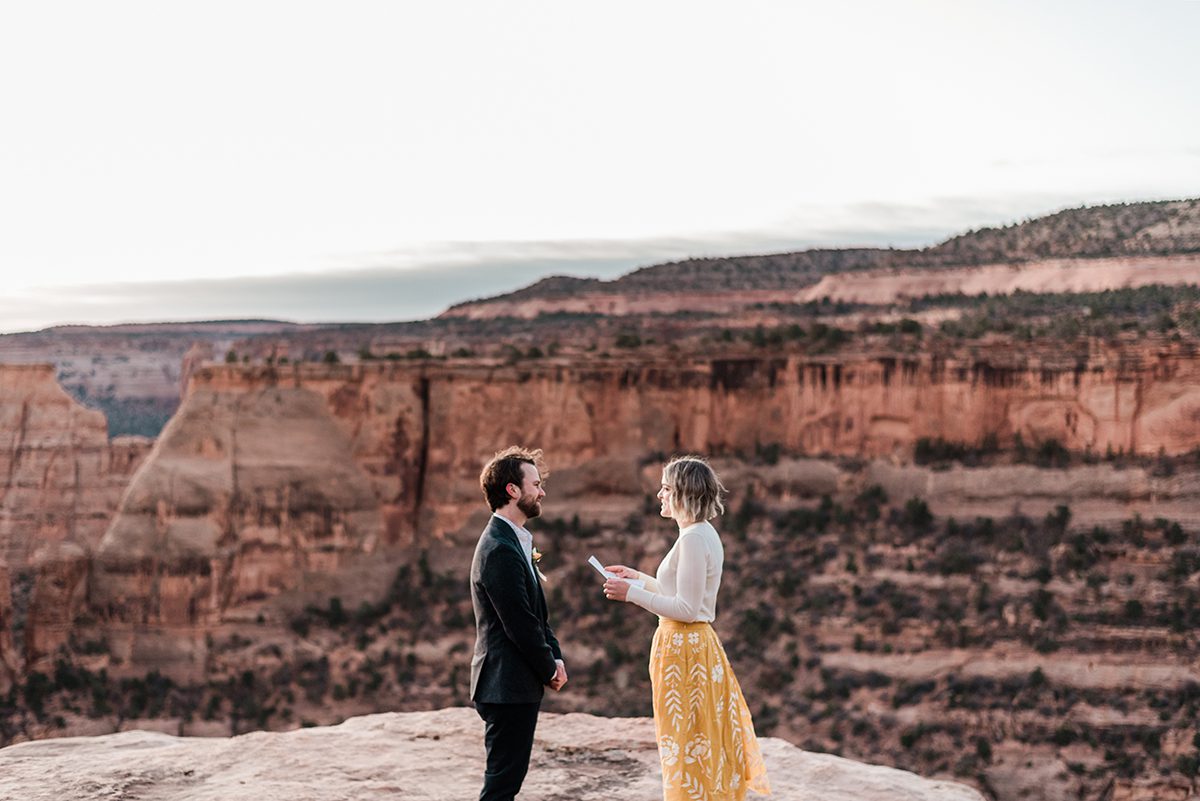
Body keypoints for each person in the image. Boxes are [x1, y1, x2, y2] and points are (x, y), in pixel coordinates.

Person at [604, 455, 770, 800]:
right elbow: (680, 594)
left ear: (682, 493)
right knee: (693, 737)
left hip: (685, 651)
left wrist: (631, 595)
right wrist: (639, 579)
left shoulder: (693, 538)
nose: (660, 496)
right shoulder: (700, 534)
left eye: (665, 489)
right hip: (690, 647)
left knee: (684, 739)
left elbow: (686, 608)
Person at [470, 446, 567, 801]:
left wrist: (554, 657)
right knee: (501, 787)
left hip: (513, 685)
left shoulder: (513, 540)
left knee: (507, 781)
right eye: (536, 484)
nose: (541, 492)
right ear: (512, 490)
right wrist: (548, 668)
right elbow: (519, 624)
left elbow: (537, 615)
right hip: (505, 685)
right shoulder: (499, 549)